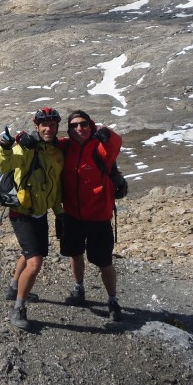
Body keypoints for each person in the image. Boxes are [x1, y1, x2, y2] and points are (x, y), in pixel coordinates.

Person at [0, 106, 64, 331]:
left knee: (31, 254)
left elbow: (54, 186)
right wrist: (5, 147)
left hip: (41, 212)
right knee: (35, 262)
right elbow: (3, 164)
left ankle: (14, 287)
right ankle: (19, 308)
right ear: (37, 126)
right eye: (44, 125)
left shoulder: (55, 151)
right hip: (22, 213)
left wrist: (58, 213)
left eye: (52, 125)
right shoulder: (26, 148)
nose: (48, 129)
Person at [56, 109, 124, 321]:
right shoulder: (66, 147)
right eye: (75, 125)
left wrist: (107, 133)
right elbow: (46, 144)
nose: (79, 128)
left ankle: (113, 300)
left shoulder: (100, 148)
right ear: (69, 129)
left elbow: (115, 144)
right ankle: (79, 289)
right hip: (72, 214)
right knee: (75, 254)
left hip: (98, 216)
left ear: (91, 125)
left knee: (104, 262)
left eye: (83, 124)